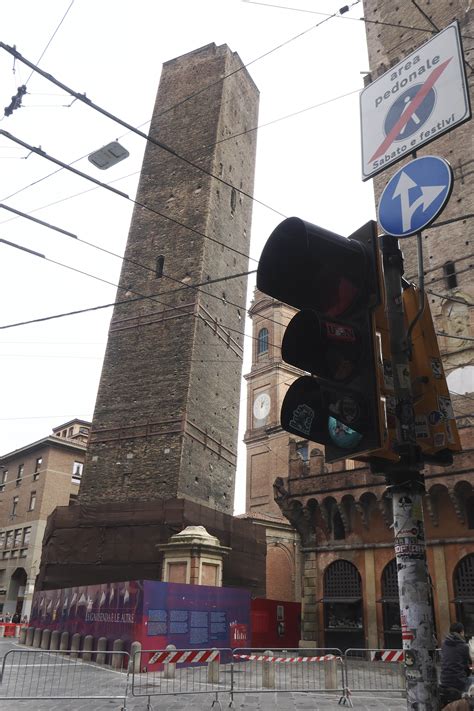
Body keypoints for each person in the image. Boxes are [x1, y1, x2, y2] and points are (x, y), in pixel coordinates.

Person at [440, 622, 473, 707]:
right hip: (459, 682)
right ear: (462, 632)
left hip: (444, 681)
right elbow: (467, 666)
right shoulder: (464, 646)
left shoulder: (444, 644)